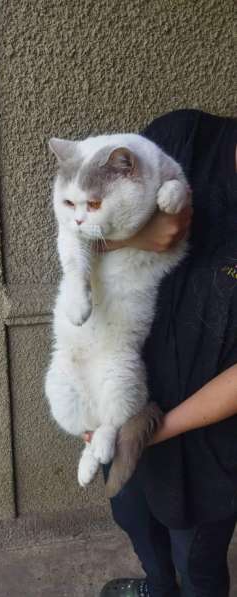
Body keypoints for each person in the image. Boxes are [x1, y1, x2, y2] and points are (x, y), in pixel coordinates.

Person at [84, 110, 237, 597]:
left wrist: (152, 432)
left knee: (198, 562)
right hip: (122, 395)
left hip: (210, 441)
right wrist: (134, 238)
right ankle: (156, 587)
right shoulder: (181, 138)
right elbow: (79, 226)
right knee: (132, 518)